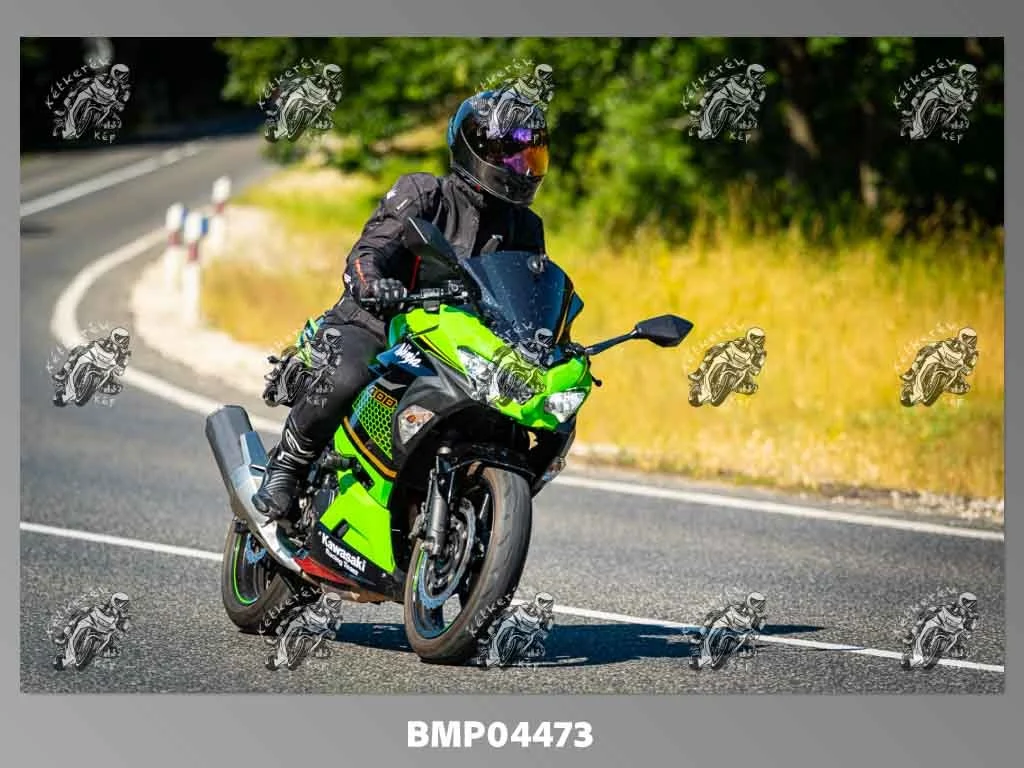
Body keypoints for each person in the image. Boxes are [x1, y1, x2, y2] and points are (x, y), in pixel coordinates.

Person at [253, 90, 550, 522]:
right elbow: (367, 252)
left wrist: (548, 340)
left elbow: (531, 292)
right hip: (378, 324)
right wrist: (373, 283)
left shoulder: (526, 227)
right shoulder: (424, 193)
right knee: (347, 374)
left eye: (530, 158)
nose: (522, 168)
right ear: (476, 150)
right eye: (511, 155)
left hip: (459, 343)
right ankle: (288, 464)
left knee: (515, 420)